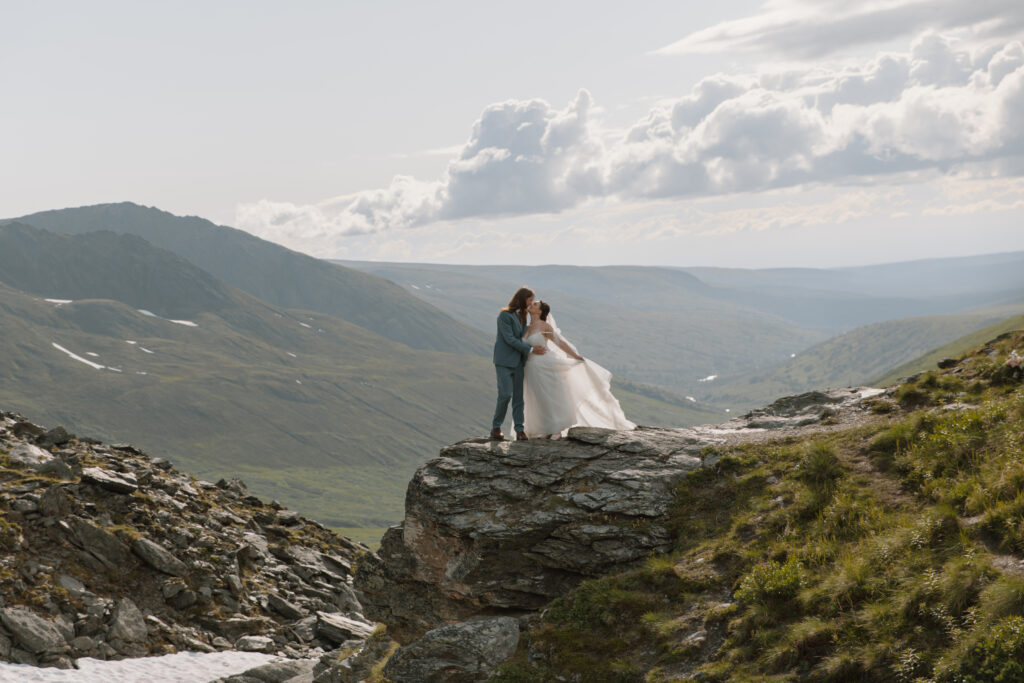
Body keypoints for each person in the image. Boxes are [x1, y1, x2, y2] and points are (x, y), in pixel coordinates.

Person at [522, 300, 636, 438]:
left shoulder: (544, 326)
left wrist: (575, 356)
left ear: (540, 311)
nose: (531, 305)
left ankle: (555, 429)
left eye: (535, 304)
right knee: (536, 398)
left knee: (548, 397)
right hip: (530, 367)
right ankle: (543, 429)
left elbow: (560, 342)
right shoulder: (527, 328)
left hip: (545, 366)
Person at [491, 287, 547, 441]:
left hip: (519, 362)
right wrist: (530, 349)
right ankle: (496, 428)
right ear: (522, 299)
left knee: (518, 398)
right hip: (504, 361)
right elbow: (509, 339)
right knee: (505, 394)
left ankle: (519, 430)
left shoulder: (523, 315)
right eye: (530, 300)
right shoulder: (504, 315)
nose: (530, 303)